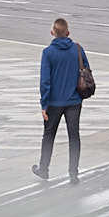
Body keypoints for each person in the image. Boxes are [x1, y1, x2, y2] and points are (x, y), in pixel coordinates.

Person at [34, 17, 92, 184]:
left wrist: (44, 104)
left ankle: (43, 169)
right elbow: (86, 69)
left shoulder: (48, 53)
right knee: (74, 136)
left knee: (48, 135)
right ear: (68, 33)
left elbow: (45, 81)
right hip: (74, 101)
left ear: (52, 33)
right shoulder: (78, 50)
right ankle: (73, 172)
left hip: (53, 102)